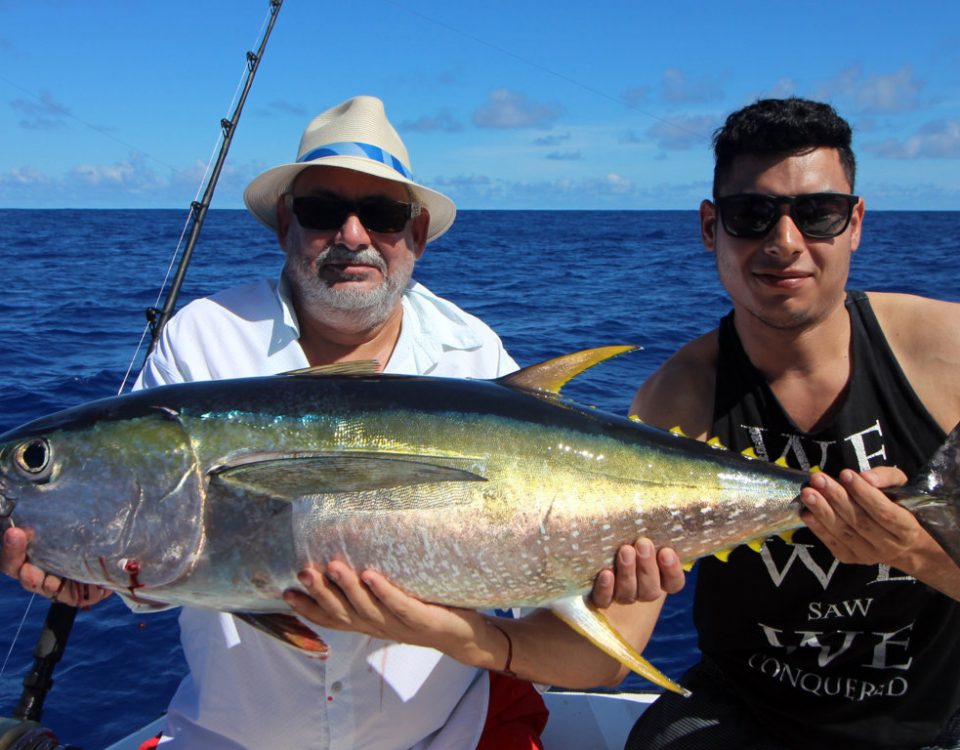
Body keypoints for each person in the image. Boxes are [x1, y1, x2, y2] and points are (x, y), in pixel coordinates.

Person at [1, 95, 681, 750]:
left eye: (381, 214)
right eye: (324, 211)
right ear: (284, 226)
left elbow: (526, 542)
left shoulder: (472, 350)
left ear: (414, 234)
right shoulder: (205, 340)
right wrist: (99, 574)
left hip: (446, 735)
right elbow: (168, 547)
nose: (352, 236)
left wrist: (608, 570)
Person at [624, 97, 960, 750]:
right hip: (746, 714)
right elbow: (614, 648)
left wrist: (909, 551)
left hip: (936, 720)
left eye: (818, 214)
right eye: (752, 215)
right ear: (709, 227)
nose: (785, 243)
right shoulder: (675, 400)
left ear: (855, 222)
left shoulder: (947, 356)